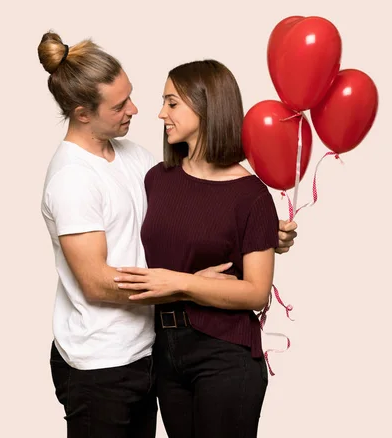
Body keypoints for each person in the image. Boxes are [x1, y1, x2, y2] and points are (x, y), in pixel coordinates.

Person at [37, 31, 297, 438]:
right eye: (120, 104)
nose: (140, 111)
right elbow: (96, 283)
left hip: (147, 353)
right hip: (99, 361)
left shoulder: (140, 162)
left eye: (138, 97)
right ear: (83, 112)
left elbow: (194, 212)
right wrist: (187, 286)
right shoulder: (73, 179)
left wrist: (262, 234)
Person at [113, 60, 281, 438]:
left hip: (223, 354)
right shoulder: (158, 179)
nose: (160, 113)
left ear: (205, 106)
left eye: (172, 103)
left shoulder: (252, 196)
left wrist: (181, 283)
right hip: (164, 352)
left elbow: (256, 291)